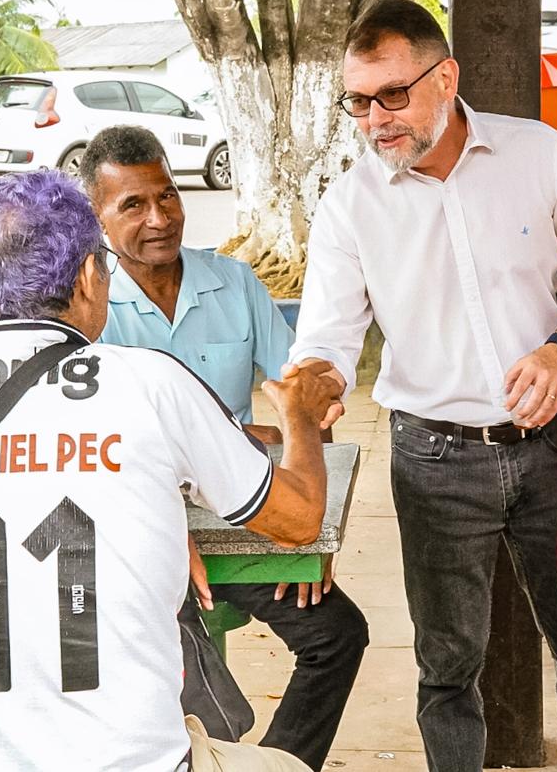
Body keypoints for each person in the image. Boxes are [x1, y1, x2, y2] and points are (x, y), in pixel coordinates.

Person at [0, 169, 332, 771]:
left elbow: (22, 464)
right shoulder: (150, 380)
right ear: (88, 276)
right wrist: (299, 419)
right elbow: (298, 520)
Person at [288, 0, 557, 772]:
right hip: (433, 459)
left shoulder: (538, 154)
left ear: (446, 78)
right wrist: (315, 385)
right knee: (447, 668)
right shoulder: (349, 205)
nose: (375, 119)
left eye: (392, 95)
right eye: (359, 101)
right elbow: (327, 338)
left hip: (555, 446)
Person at [81, 124, 369, 772]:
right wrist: (166, 526)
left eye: (167, 196)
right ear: (96, 219)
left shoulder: (234, 283)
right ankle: (204, 751)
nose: (159, 218)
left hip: (251, 508)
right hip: (139, 527)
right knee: (163, 661)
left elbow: (300, 401)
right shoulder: (91, 304)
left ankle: (275, 763)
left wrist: (311, 532)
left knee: (338, 632)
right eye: (132, 204)